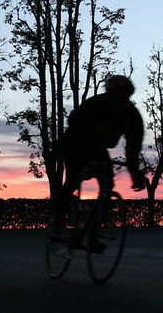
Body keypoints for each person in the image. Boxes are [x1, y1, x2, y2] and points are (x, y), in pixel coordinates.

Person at [48, 75, 145, 237]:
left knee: (107, 183)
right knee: (74, 178)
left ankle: (93, 227)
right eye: (118, 98)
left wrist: (135, 172)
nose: (122, 103)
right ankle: (55, 219)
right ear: (110, 95)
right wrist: (83, 164)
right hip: (74, 142)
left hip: (98, 146)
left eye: (126, 99)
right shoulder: (94, 105)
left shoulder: (132, 115)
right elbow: (77, 131)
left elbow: (134, 145)